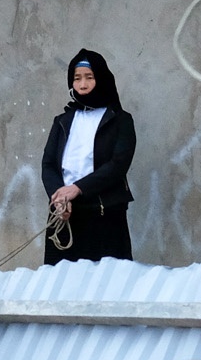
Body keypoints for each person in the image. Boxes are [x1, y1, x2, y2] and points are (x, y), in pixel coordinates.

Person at [40, 49, 137, 264]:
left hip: (104, 213)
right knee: (61, 284)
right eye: (77, 78)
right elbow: (48, 165)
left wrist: (77, 188)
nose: (82, 84)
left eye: (89, 77)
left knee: (105, 284)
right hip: (65, 212)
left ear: (101, 79)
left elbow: (118, 165)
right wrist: (59, 198)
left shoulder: (120, 120)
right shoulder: (63, 121)